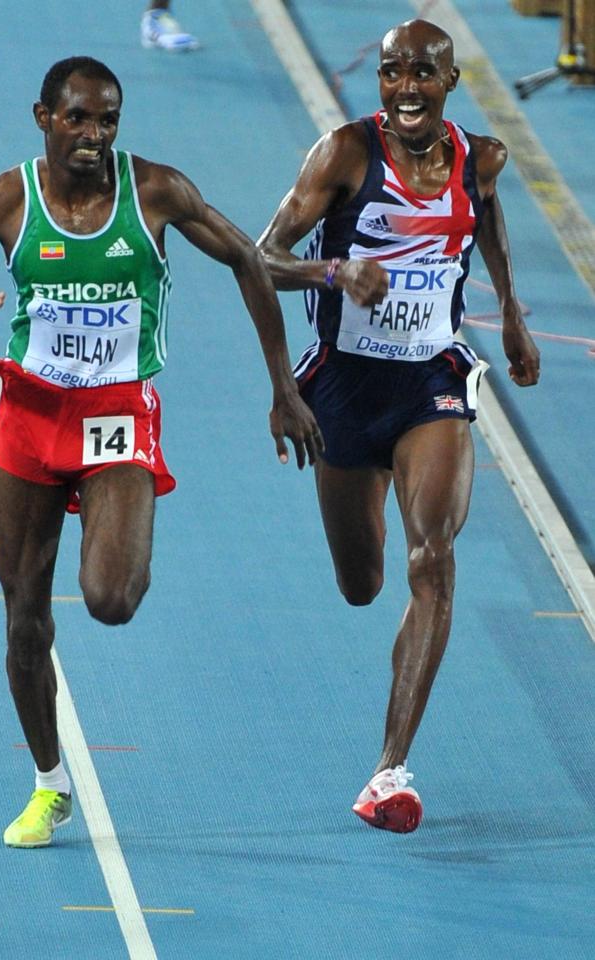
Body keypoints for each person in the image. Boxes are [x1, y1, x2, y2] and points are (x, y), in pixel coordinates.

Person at [0, 56, 321, 847]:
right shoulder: (4, 202)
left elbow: (247, 257)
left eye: (107, 121)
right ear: (44, 118)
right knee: (24, 620)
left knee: (111, 598)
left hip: (115, 414)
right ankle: (48, 784)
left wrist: (283, 388)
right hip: (30, 412)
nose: (95, 136)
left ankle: (112, 526)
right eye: (78, 119)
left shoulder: (156, 192)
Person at [258, 19, 539, 833]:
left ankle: (388, 771)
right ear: (377, 81)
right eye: (391, 73)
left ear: (450, 81)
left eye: (422, 73)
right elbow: (259, 255)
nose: (405, 88)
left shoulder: (481, 157)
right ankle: (373, 494)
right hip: (343, 392)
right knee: (362, 584)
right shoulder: (342, 155)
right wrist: (333, 269)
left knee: (434, 558)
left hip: (429, 385)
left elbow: (482, 215)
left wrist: (509, 312)